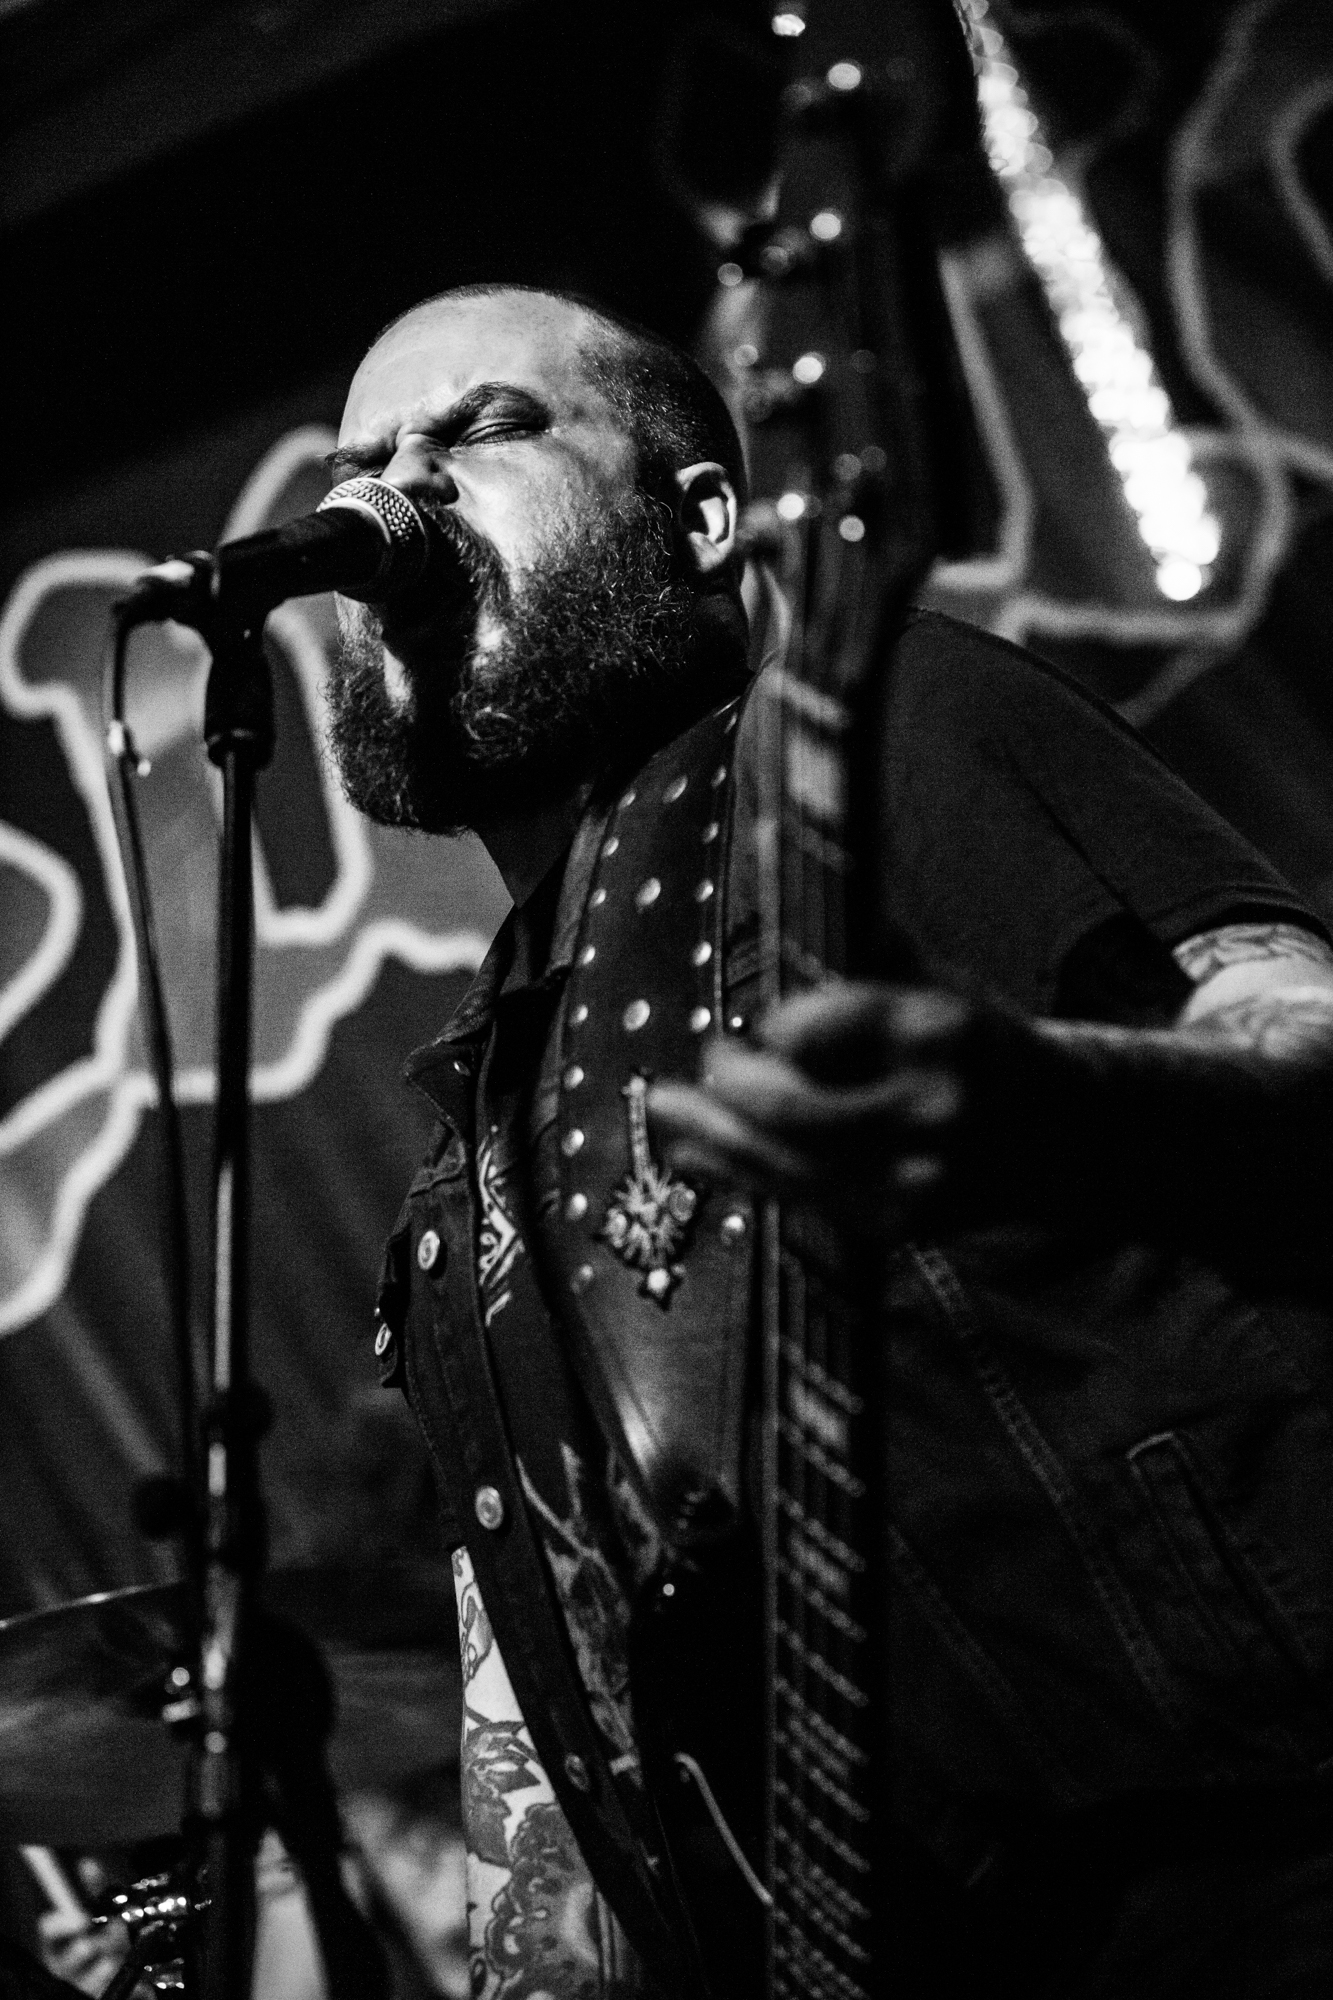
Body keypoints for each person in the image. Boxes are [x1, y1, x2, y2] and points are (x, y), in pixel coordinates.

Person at [325, 282, 1333, 1999]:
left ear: (705, 519)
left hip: (1234, 1858)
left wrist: (1063, 1095)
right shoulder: (481, 1117)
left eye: (478, 430)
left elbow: (1299, 1033)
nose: (392, 495)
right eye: (356, 469)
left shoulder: (872, 735)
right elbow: (546, 1711)